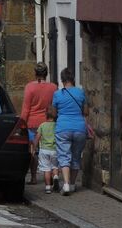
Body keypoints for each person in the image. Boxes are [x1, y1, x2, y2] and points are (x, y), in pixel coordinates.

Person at [20, 62, 58, 184]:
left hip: (32, 124)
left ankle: (33, 177)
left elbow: (26, 109)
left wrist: (21, 124)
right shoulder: (53, 87)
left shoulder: (29, 87)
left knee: (33, 151)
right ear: (46, 73)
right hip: (48, 123)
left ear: (35, 73)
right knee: (50, 148)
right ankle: (51, 175)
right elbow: (54, 106)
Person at [52, 67, 88, 196]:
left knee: (64, 156)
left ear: (62, 80)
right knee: (76, 156)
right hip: (79, 128)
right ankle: (73, 184)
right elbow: (85, 112)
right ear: (73, 79)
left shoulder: (57, 94)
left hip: (63, 128)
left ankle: (66, 184)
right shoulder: (81, 93)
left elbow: (54, 113)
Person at [34, 106, 60, 193]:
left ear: (46, 115)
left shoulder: (42, 125)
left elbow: (37, 137)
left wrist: (34, 147)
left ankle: (48, 187)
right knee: (55, 166)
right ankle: (56, 176)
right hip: (55, 150)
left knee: (46, 169)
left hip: (44, 150)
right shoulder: (57, 125)